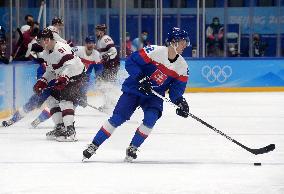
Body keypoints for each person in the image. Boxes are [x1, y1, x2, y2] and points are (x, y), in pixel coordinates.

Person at [82, 27, 190, 162]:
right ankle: (94, 145)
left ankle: (133, 147)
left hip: (154, 95)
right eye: (182, 42)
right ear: (173, 42)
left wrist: (180, 101)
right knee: (118, 118)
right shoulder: (154, 51)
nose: (185, 45)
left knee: (151, 119)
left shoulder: (182, 67)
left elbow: (176, 90)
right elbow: (131, 61)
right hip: (135, 88)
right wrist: (140, 78)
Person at [33, 28, 87, 141]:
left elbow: (71, 65)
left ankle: (70, 131)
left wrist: (64, 77)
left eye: (42, 40)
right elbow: (51, 71)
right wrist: (42, 81)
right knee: (51, 99)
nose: (41, 43)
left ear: (48, 40)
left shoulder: (61, 48)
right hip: (66, 77)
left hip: (77, 76)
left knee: (65, 101)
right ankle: (60, 127)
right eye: (40, 41)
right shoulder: (46, 53)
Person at [95, 24, 120, 112]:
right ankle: (112, 102)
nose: (96, 32)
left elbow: (114, 51)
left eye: (98, 30)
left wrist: (107, 56)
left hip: (112, 64)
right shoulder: (100, 39)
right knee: (104, 83)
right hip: (109, 64)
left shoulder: (105, 39)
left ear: (102, 31)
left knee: (106, 83)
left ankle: (110, 104)